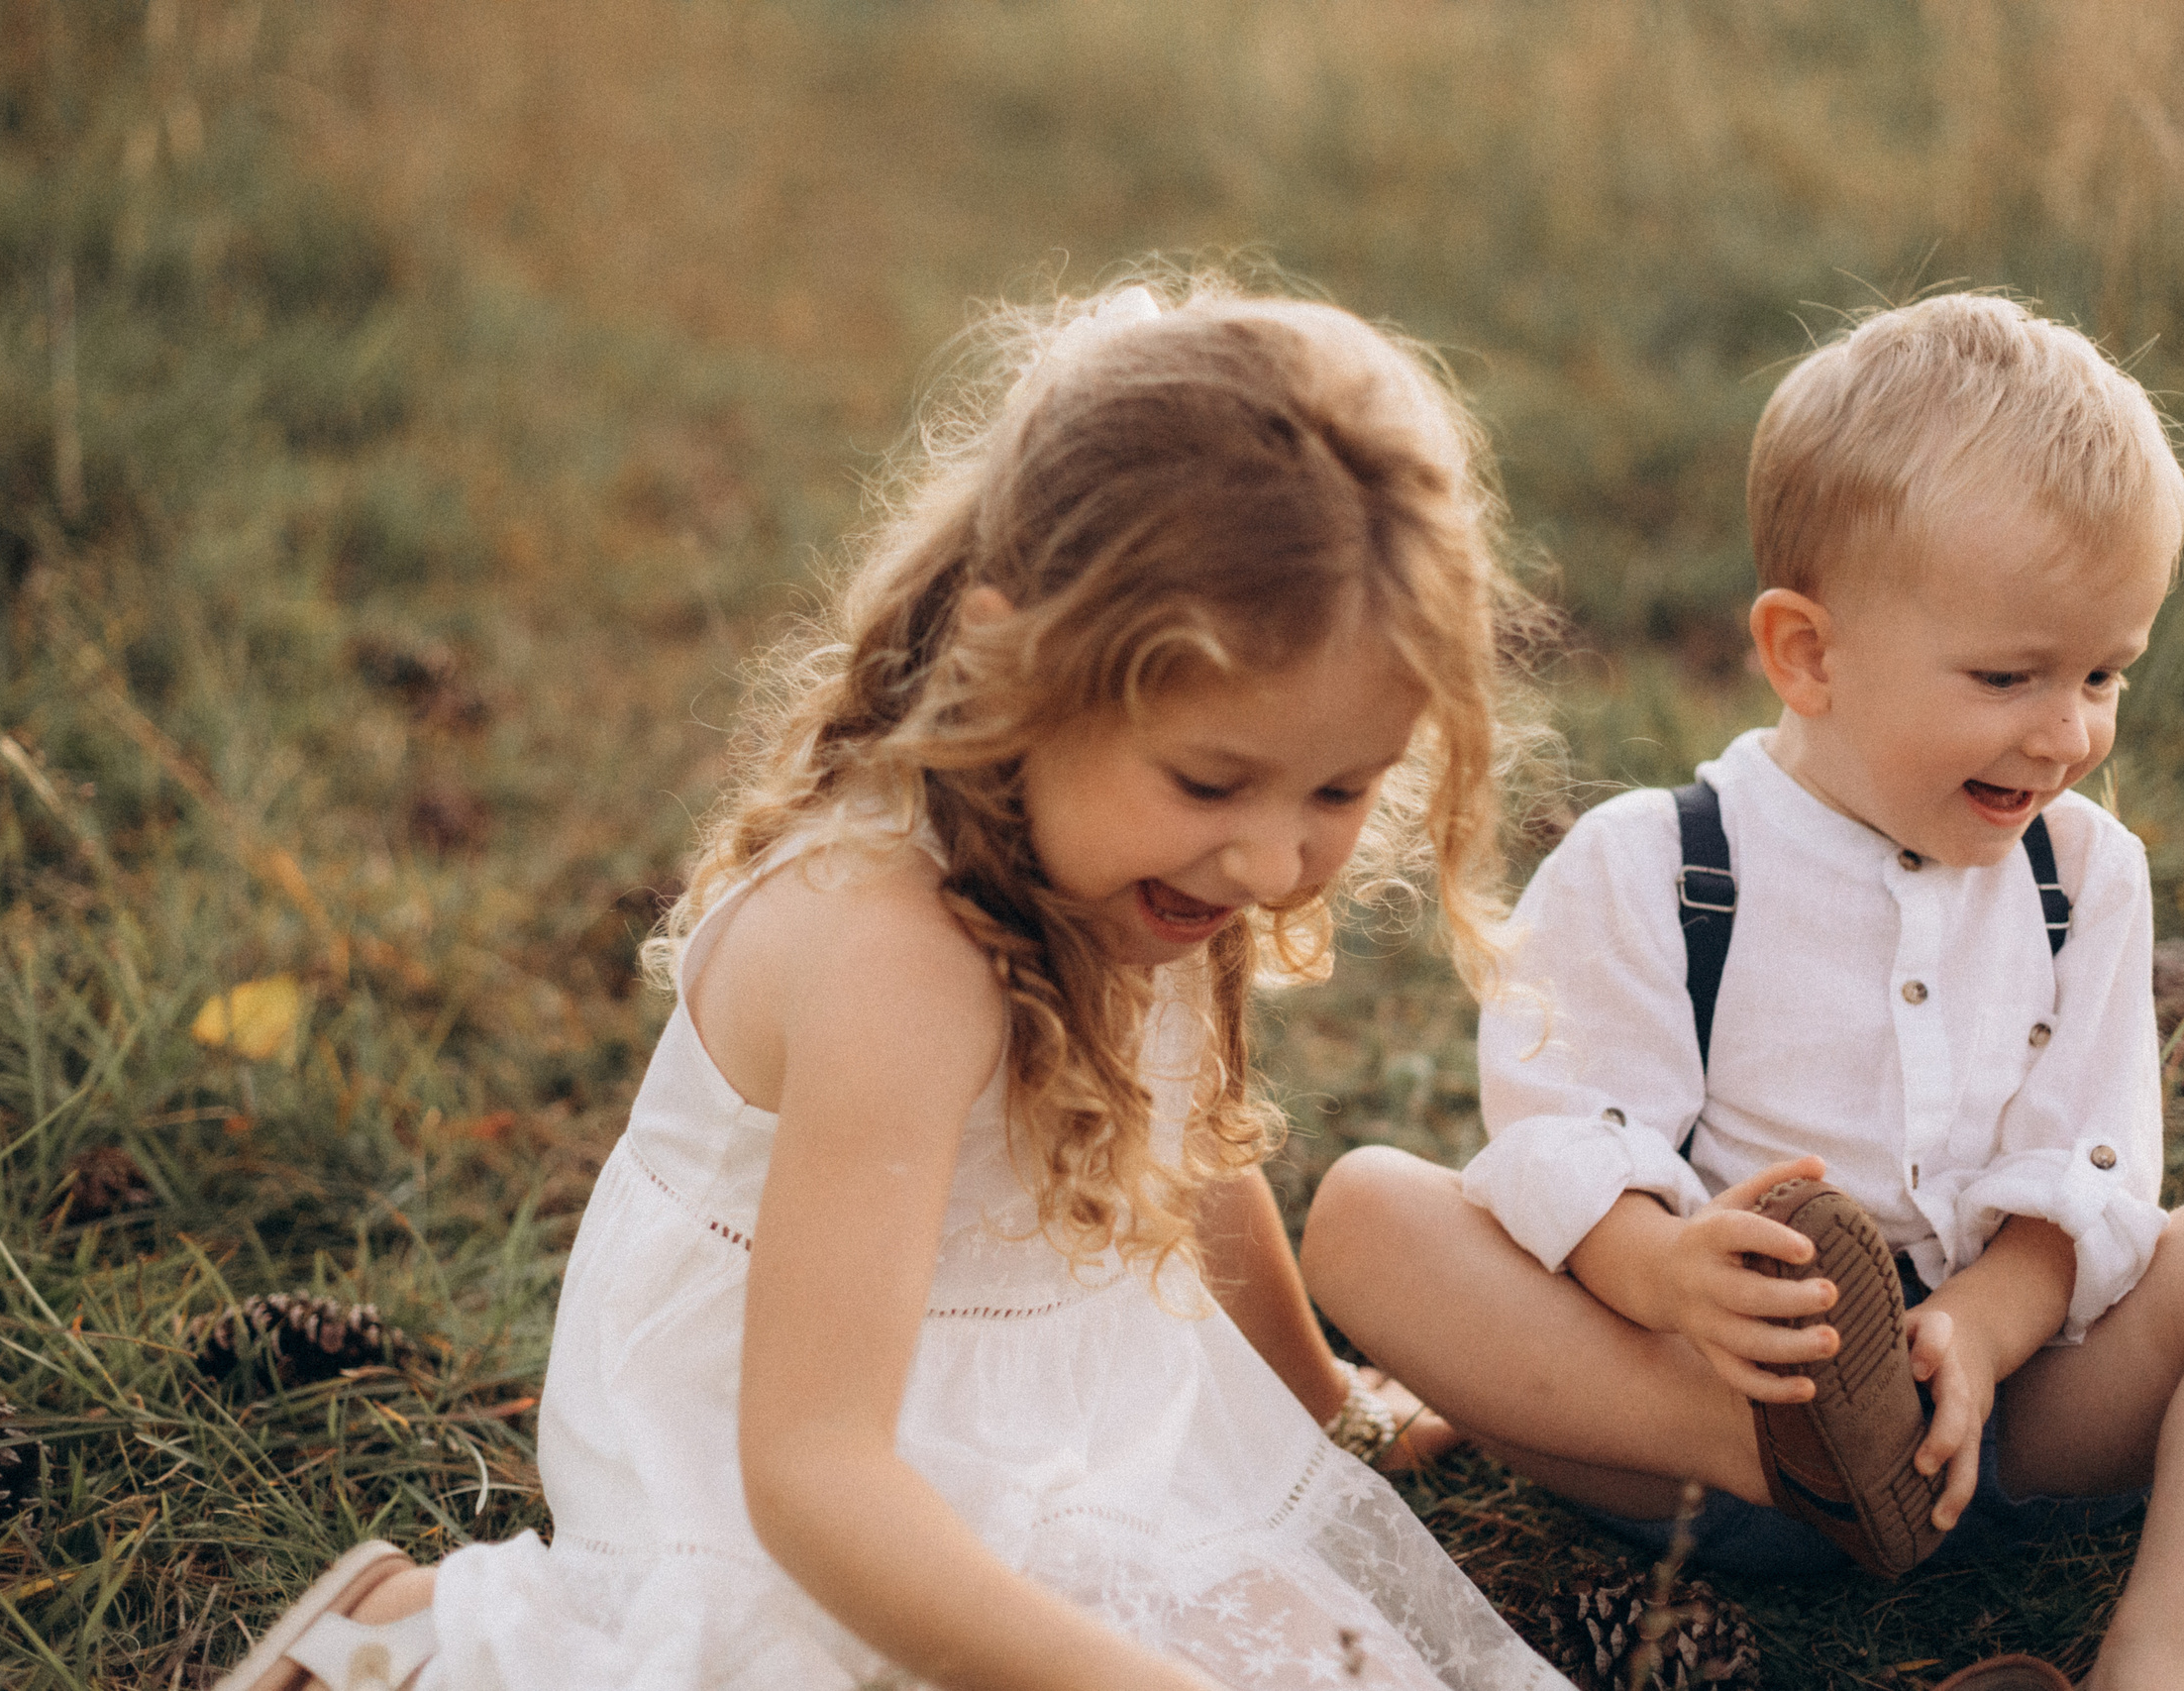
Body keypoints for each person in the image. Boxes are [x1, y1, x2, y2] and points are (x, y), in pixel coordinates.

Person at [216, 277, 1575, 1691]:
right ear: (1013, 661)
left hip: (1045, 1409)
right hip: (786, 1450)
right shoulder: (897, 960)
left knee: (1316, 1657)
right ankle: (424, 1646)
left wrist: (1321, 1408)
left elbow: (1183, 1159)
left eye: (1341, 790)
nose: (1274, 855)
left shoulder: (1148, 865)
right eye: (1213, 780)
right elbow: (812, 1472)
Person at [1300, 294, 2184, 1691]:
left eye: (2105, 672)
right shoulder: (1660, 866)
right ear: (1808, 654)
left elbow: (2093, 1162)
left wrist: (1986, 1328)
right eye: (2010, 676)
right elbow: (1562, 1130)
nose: (2069, 733)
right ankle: (1812, 1460)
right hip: (1696, 1426)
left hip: (2006, 1416)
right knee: (1367, 1213)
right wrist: (1661, 1273)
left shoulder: (2084, 874)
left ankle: (2160, 1665)